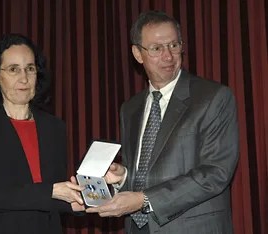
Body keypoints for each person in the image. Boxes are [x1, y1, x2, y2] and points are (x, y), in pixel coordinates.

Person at [86, 10, 239, 234]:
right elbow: (148, 172)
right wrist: (124, 177)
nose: (168, 56)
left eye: (174, 45)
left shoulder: (213, 98)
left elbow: (215, 173)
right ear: (137, 54)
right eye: (157, 48)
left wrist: (143, 200)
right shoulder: (130, 108)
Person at [0, 34, 84, 234]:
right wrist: (52, 191)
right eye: (13, 69)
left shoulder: (54, 127)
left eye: (30, 69)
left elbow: (47, 195)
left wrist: (76, 201)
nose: (24, 78)